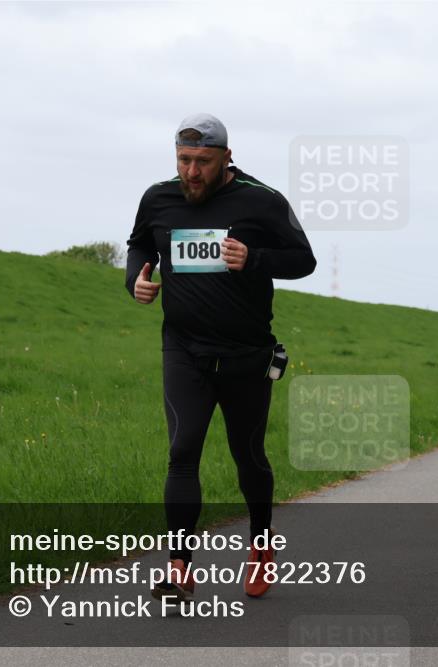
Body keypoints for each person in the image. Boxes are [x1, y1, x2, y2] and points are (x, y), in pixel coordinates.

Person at [126, 113, 316, 601]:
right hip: (184, 350)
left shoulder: (262, 201)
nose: (192, 172)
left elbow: (303, 259)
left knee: (247, 456)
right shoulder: (158, 198)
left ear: (227, 158)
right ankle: (179, 566)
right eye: (184, 160)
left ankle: (260, 545)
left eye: (203, 162)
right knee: (182, 451)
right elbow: (140, 246)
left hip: (246, 355)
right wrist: (137, 282)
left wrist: (255, 260)